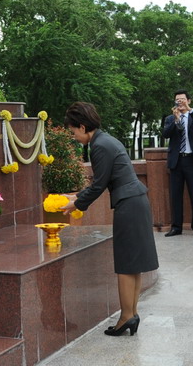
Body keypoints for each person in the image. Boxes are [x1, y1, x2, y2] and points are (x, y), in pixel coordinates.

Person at [62, 101, 159, 337]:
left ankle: (127, 316)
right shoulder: (106, 140)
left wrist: (77, 204)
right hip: (135, 201)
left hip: (129, 205)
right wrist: (77, 195)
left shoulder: (99, 146)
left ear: (83, 127)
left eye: (73, 131)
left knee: (126, 264)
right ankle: (131, 314)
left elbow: (99, 184)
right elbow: (104, 180)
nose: (74, 136)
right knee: (133, 263)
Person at [161, 90, 193, 237]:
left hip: (191, 160)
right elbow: (165, 134)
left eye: (182, 99)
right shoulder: (171, 118)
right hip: (176, 160)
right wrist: (176, 120)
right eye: (177, 100)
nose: (180, 102)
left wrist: (189, 111)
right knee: (176, 196)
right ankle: (176, 227)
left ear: (189, 101)